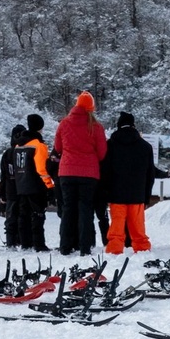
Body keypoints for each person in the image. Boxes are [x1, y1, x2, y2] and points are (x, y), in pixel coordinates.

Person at [102, 111, 170, 255]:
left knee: (117, 225)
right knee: (138, 226)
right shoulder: (145, 146)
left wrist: (106, 192)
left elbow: (105, 172)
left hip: (116, 194)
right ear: (134, 125)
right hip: (137, 194)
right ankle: (142, 249)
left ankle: (114, 249)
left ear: (118, 126)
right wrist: (146, 196)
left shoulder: (109, 145)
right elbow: (150, 173)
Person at [54, 91, 107, 257]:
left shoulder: (64, 123)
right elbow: (102, 153)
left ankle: (65, 246)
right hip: (89, 174)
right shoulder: (96, 126)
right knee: (86, 209)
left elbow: (58, 148)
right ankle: (85, 247)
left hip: (67, 172)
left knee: (68, 209)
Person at [14, 113, 55, 252]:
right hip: (36, 186)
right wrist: (49, 186)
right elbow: (41, 168)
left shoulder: (18, 146)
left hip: (21, 185)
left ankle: (25, 243)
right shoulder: (39, 145)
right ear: (40, 127)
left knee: (23, 215)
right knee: (38, 215)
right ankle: (39, 244)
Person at [0, 124, 27, 248]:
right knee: (22, 217)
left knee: (11, 218)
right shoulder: (26, 151)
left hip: (11, 189)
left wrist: (2, 194)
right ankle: (22, 241)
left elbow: (3, 176)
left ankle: (11, 242)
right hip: (23, 189)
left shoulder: (7, 153)